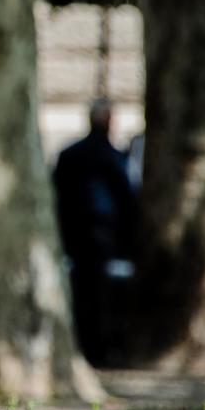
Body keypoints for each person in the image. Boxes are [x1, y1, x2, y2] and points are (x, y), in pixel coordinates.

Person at [52, 98, 136, 365]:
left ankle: (89, 347)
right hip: (102, 235)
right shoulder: (114, 156)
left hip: (76, 235)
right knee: (102, 295)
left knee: (82, 293)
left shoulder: (70, 154)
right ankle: (101, 350)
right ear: (110, 121)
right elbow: (127, 199)